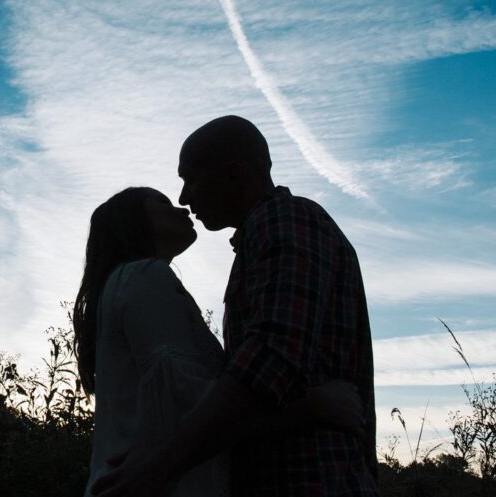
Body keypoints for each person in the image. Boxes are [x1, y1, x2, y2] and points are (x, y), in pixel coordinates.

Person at [91, 116, 378, 497]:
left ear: (233, 173)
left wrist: (156, 470)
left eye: (189, 179)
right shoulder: (261, 236)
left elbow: (267, 366)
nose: (183, 198)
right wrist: (316, 404)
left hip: (309, 478)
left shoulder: (283, 219)